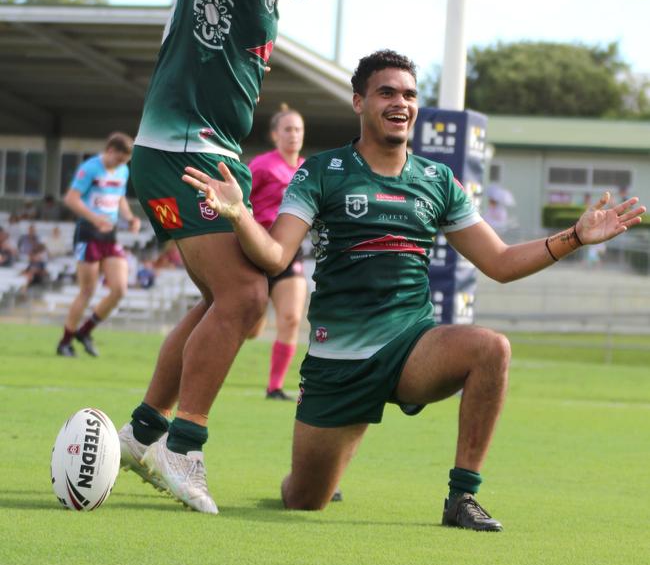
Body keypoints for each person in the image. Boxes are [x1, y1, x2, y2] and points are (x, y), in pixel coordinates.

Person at [182, 49, 646, 530]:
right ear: (359, 101)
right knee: (303, 500)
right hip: (337, 361)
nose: (400, 102)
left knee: (491, 349)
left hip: (410, 346)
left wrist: (573, 237)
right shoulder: (322, 172)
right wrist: (239, 216)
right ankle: (322, 462)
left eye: (408, 94)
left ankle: (462, 498)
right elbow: (276, 256)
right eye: (386, 92)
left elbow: (501, 263)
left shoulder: (437, 179)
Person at [117, 0, 357, 514]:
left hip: (195, 156)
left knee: (226, 303)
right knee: (248, 296)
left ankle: (143, 435)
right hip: (183, 154)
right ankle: (183, 444)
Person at [56, 132, 141, 357]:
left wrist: (130, 218)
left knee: (120, 289)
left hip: (109, 234)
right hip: (88, 232)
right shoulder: (90, 168)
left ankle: (85, 331)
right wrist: (95, 219)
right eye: (119, 159)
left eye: (125, 162)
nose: (121, 164)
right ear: (110, 150)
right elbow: (71, 199)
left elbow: (119, 198)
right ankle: (65, 342)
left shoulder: (123, 170)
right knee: (88, 290)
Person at [248, 106, 307, 401]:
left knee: (292, 319)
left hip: (290, 252)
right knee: (249, 327)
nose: (293, 135)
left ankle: (275, 387)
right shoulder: (261, 166)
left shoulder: (307, 170)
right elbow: (240, 201)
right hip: (256, 252)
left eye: (298, 129)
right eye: (287, 129)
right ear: (275, 135)